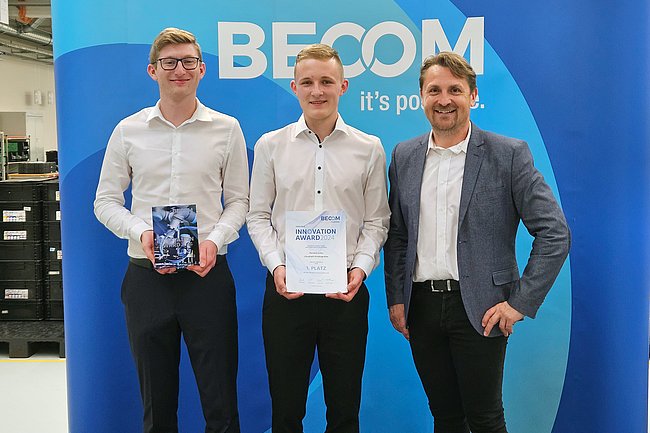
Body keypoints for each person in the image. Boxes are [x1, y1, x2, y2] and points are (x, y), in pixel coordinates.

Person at [383, 52, 570, 433]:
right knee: (446, 418)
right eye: (434, 90)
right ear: (421, 96)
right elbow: (398, 235)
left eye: (455, 90)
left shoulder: (508, 154)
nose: (444, 100)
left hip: (481, 308)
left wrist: (519, 303)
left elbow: (554, 232)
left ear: (473, 96)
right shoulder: (404, 156)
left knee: (485, 419)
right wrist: (397, 297)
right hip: (421, 308)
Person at [94, 27, 248, 433]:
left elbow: (240, 201)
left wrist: (214, 240)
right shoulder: (128, 130)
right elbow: (105, 201)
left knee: (221, 402)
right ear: (153, 70)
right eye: (169, 62)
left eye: (188, 62)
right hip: (147, 281)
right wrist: (141, 233)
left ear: (202, 69)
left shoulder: (227, 129)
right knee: (157, 405)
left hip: (208, 279)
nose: (180, 70)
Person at [246, 43, 390, 433]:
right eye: (307, 82)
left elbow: (377, 221)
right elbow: (257, 216)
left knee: (344, 413)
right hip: (286, 293)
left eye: (326, 81)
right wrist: (276, 266)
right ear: (294, 87)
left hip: (345, 294)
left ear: (343, 86)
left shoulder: (368, 148)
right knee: (286, 411)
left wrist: (360, 270)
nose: (317, 91)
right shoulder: (270, 146)